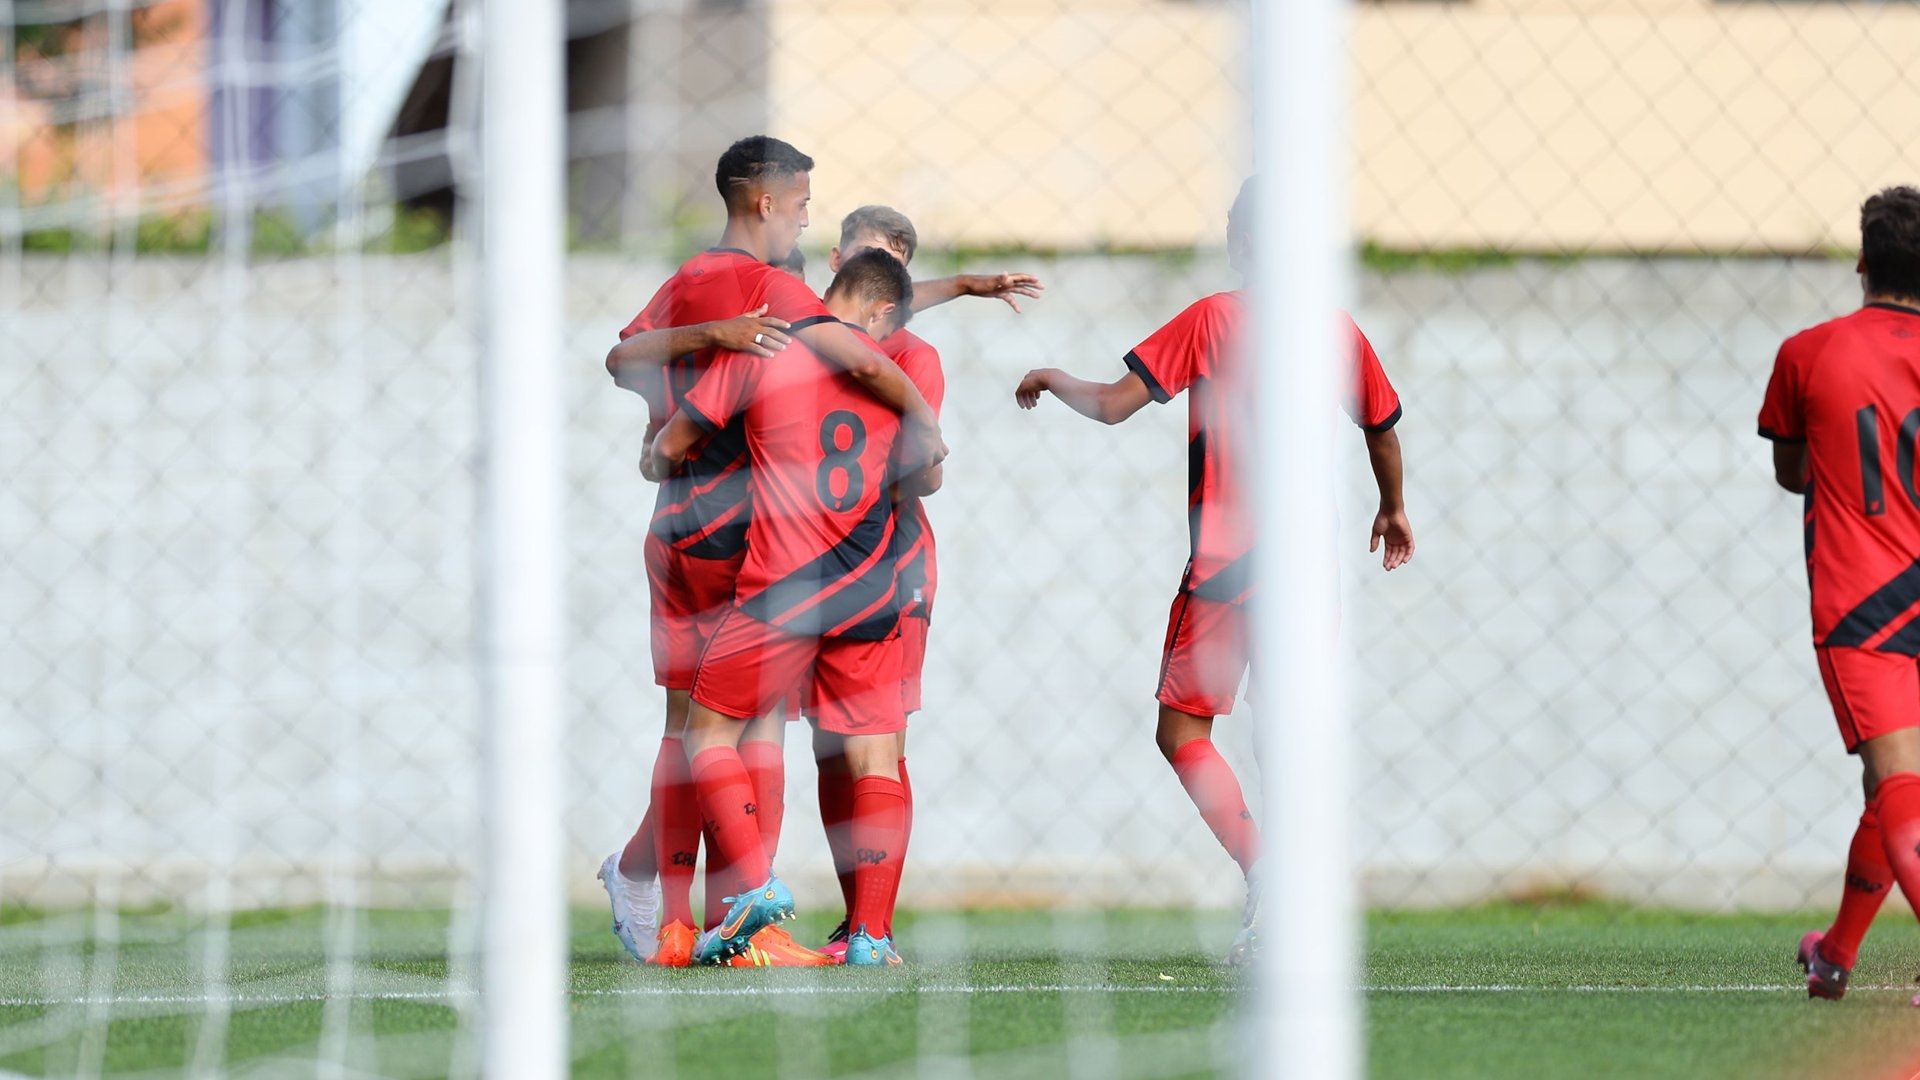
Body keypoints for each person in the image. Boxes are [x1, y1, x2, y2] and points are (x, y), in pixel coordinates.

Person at [1009, 178, 1414, 964]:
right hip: (1307, 565)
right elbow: (1383, 426)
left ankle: (1267, 876)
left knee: (1182, 730)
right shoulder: (1334, 329)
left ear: (1249, 242)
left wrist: (1055, 377)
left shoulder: (1212, 318)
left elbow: (1114, 405)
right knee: (1286, 729)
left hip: (1229, 563)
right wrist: (1393, 506)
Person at [595, 135, 941, 969]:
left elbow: (621, 360)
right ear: (766, 202)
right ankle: (713, 904)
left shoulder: (690, 280)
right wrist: (928, 427)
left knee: (701, 724)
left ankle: (688, 911)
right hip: (746, 543)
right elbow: (863, 344)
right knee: (739, 727)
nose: (804, 220)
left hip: (687, 523)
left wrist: (705, 339)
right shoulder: (777, 295)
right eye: (802, 206)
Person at [1759, 185, 1920, 1004]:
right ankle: (1836, 954)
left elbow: (1792, 473)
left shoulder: (1808, 352)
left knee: (1901, 786)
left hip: (1870, 602)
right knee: (1894, 793)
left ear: (1863, 261)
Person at [810, 207, 948, 962]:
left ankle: (874, 927)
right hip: (820, 570)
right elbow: (927, 462)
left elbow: (919, 478)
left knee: (879, 743)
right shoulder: (823, 345)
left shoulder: (913, 356)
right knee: (833, 749)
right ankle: (857, 917)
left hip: (888, 566)